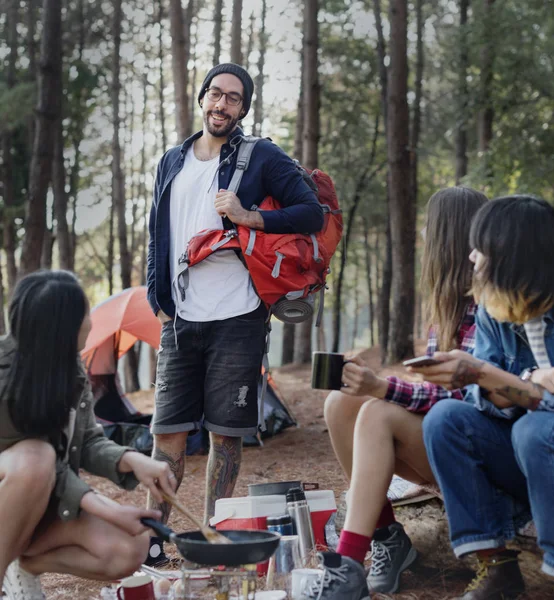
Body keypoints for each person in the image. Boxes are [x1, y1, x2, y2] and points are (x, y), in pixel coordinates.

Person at [145, 62, 323, 565]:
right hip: (179, 319)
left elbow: (310, 212)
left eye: (234, 99)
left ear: (243, 109)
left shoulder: (259, 155)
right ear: (202, 98)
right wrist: (158, 299)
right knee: (168, 434)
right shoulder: (172, 160)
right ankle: (154, 537)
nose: (222, 105)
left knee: (226, 435)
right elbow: (159, 233)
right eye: (215, 94)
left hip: (239, 317)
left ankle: (212, 534)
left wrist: (251, 217)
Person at [413, 195, 554, 600]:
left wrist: (498, 379)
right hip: (531, 451)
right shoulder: (493, 306)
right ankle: (496, 566)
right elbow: (485, 399)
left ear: (512, 252)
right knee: (446, 419)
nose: (473, 257)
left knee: (539, 429)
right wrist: (527, 380)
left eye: (481, 247)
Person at [307, 187, 488, 600]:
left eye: (429, 228)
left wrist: (385, 389)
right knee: (341, 402)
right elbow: (438, 389)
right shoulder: (446, 308)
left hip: (477, 451)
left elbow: (468, 400)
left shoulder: (490, 305)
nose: (424, 236)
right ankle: (387, 536)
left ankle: (349, 564)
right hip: (448, 436)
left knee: (376, 413)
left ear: (449, 236)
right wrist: (377, 386)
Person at [0, 270, 176, 600]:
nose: (91, 322)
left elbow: (88, 440)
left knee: (132, 545)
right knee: (34, 459)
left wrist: (133, 459)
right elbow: (44, 468)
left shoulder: (67, 368)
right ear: (59, 326)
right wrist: (106, 508)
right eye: (84, 313)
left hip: (43, 501)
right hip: (12, 497)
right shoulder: (4, 379)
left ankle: (22, 565)